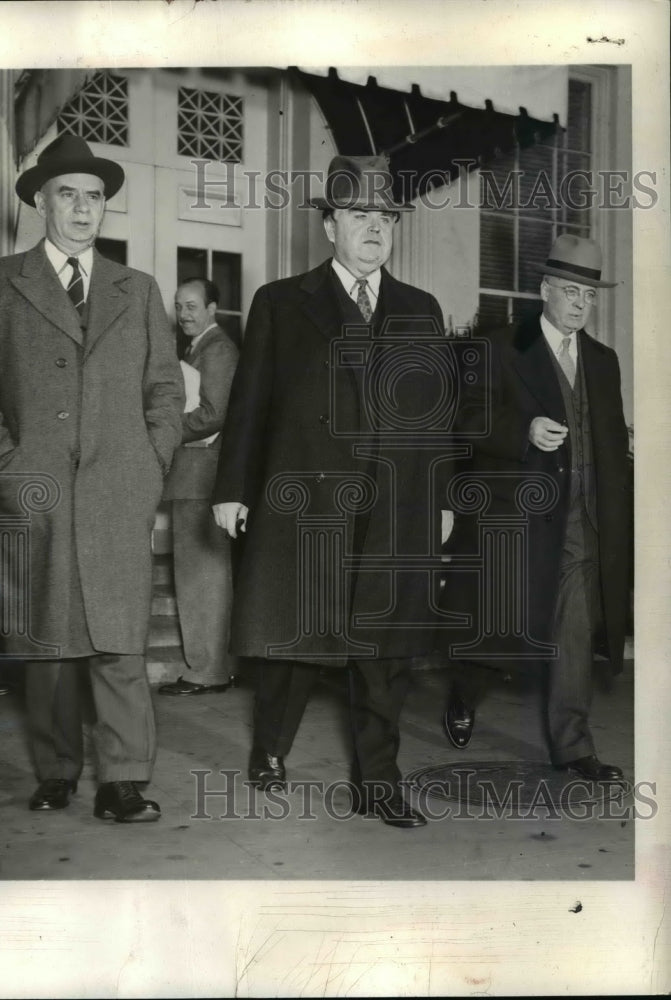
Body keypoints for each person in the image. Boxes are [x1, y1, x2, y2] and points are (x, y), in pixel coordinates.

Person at [213, 154, 454, 828]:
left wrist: (438, 501)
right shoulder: (282, 303)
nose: (374, 228)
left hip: (393, 507)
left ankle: (378, 782)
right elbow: (251, 403)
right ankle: (269, 748)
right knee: (294, 639)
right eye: (358, 216)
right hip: (306, 500)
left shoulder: (420, 309)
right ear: (329, 226)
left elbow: (436, 414)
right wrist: (232, 488)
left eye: (384, 218)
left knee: (384, 651)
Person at [0, 134, 184, 822]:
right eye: (68, 195)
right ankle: (56, 770)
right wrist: (7, 466)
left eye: (95, 198)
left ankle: (123, 781)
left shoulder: (136, 289)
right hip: (37, 489)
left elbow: (165, 392)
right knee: (48, 644)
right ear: (40, 202)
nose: (84, 210)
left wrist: (149, 465)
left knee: (119, 642)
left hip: (120, 490)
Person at [440, 234, 630, 782]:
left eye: (588, 296)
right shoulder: (501, 347)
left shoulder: (603, 360)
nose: (579, 303)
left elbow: (611, 442)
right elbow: (467, 423)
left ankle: (573, 746)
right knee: (499, 627)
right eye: (570, 291)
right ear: (545, 289)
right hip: (517, 519)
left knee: (574, 628)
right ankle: (464, 692)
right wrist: (522, 431)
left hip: (581, 519)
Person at [158, 278, 239, 695]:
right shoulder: (197, 349)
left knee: (201, 578)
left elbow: (213, 414)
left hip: (201, 478)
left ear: (213, 309)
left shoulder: (218, 349)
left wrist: (161, 429)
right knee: (198, 576)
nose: (184, 314)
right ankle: (210, 667)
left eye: (192, 306)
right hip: (194, 476)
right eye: (179, 306)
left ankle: (206, 672)